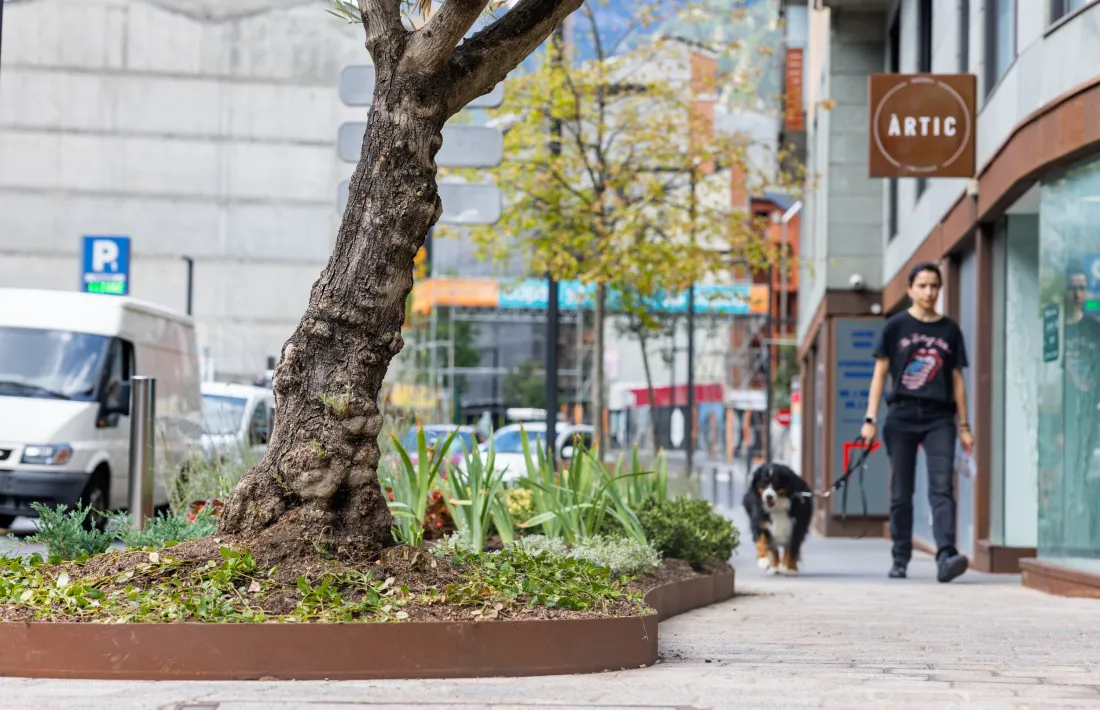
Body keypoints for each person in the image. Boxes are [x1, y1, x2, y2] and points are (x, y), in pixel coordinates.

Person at [861, 262, 973, 583]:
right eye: (922, 286)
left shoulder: (950, 330)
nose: (929, 292)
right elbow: (880, 374)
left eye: (934, 286)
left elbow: (957, 380)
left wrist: (964, 426)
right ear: (910, 289)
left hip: (940, 416)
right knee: (901, 491)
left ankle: (946, 555)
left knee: (941, 488)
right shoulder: (896, 327)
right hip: (902, 415)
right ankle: (900, 558)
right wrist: (870, 419)